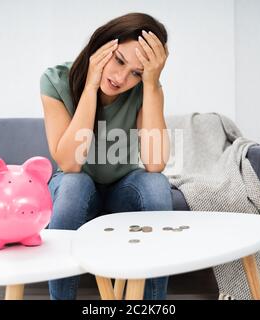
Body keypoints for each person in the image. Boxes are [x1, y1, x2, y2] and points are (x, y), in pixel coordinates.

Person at [40, 12, 172, 300]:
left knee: (156, 184)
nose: (121, 78)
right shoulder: (55, 80)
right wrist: (90, 85)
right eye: (119, 61)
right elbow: (70, 163)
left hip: (120, 191)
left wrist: (150, 84)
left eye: (137, 72)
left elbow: (155, 162)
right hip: (75, 187)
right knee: (75, 184)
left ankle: (151, 304)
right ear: (100, 47)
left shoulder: (146, 88)